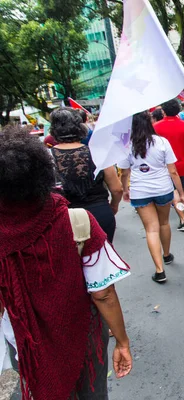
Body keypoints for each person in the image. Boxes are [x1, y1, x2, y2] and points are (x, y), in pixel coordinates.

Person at [0, 128, 132, 399]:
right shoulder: (76, 221)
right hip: (82, 334)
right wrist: (122, 341)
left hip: (24, 340)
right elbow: (103, 293)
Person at [117, 111, 184, 283]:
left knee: (151, 229)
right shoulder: (162, 142)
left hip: (140, 191)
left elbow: (124, 172)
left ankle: (159, 270)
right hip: (163, 189)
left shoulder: (127, 145)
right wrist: (181, 193)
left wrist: (125, 189)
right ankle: (167, 254)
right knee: (164, 223)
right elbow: (173, 171)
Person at [49, 108, 123, 243]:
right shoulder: (98, 153)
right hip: (99, 213)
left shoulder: (46, 158)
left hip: (64, 217)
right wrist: (113, 205)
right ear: (80, 127)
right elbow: (117, 189)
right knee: (101, 259)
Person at [154, 99, 184, 229]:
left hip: (164, 165)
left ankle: (182, 218)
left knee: (174, 191)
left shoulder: (156, 127)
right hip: (183, 162)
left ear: (163, 111)